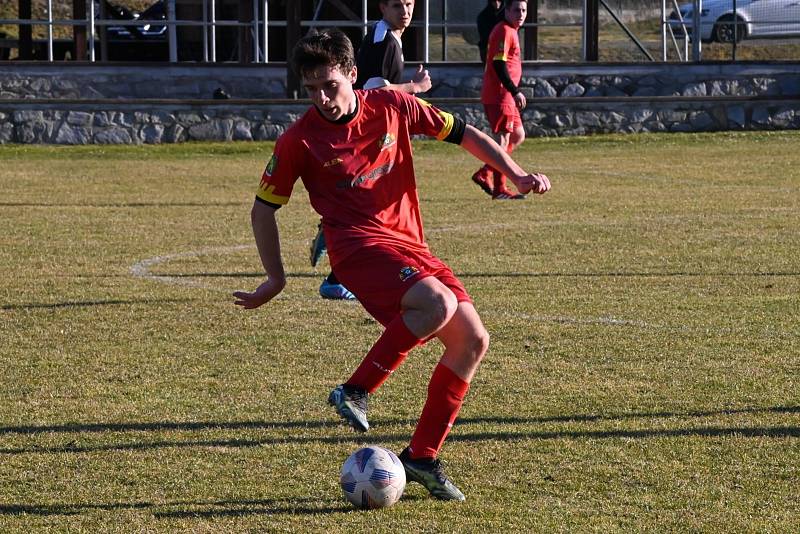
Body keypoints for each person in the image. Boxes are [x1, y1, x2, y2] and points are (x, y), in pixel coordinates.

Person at [233, 29, 550, 501]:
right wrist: (275, 277)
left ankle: (421, 456)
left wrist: (516, 174)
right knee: (437, 304)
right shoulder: (299, 140)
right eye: (311, 88)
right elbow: (263, 208)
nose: (322, 97)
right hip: (357, 249)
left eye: (330, 85)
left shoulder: (391, 106)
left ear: (352, 75)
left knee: (472, 341)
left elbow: (464, 133)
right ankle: (356, 389)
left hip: (409, 246)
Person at [312, 0, 432, 300]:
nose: (404, 11)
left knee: (368, 205)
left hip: (368, 134)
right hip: (368, 137)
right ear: (382, 7)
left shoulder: (385, 37)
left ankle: (333, 245)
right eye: (396, 5)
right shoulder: (385, 42)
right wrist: (414, 87)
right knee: (373, 208)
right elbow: (373, 93)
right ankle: (336, 277)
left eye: (408, 4)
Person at [472, 0, 529, 201]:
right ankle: (500, 189)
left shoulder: (511, 30)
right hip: (500, 95)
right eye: (516, 10)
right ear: (507, 10)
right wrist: (514, 91)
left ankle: (485, 172)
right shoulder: (504, 30)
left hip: (506, 96)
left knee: (517, 135)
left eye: (524, 10)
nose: (520, 14)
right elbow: (498, 63)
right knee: (503, 140)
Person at [476, 0, 504, 64]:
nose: (497, 3)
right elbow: (484, 37)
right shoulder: (483, 16)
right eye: (494, 1)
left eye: (499, 1)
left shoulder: (507, 14)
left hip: (504, 48)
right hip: (488, 49)